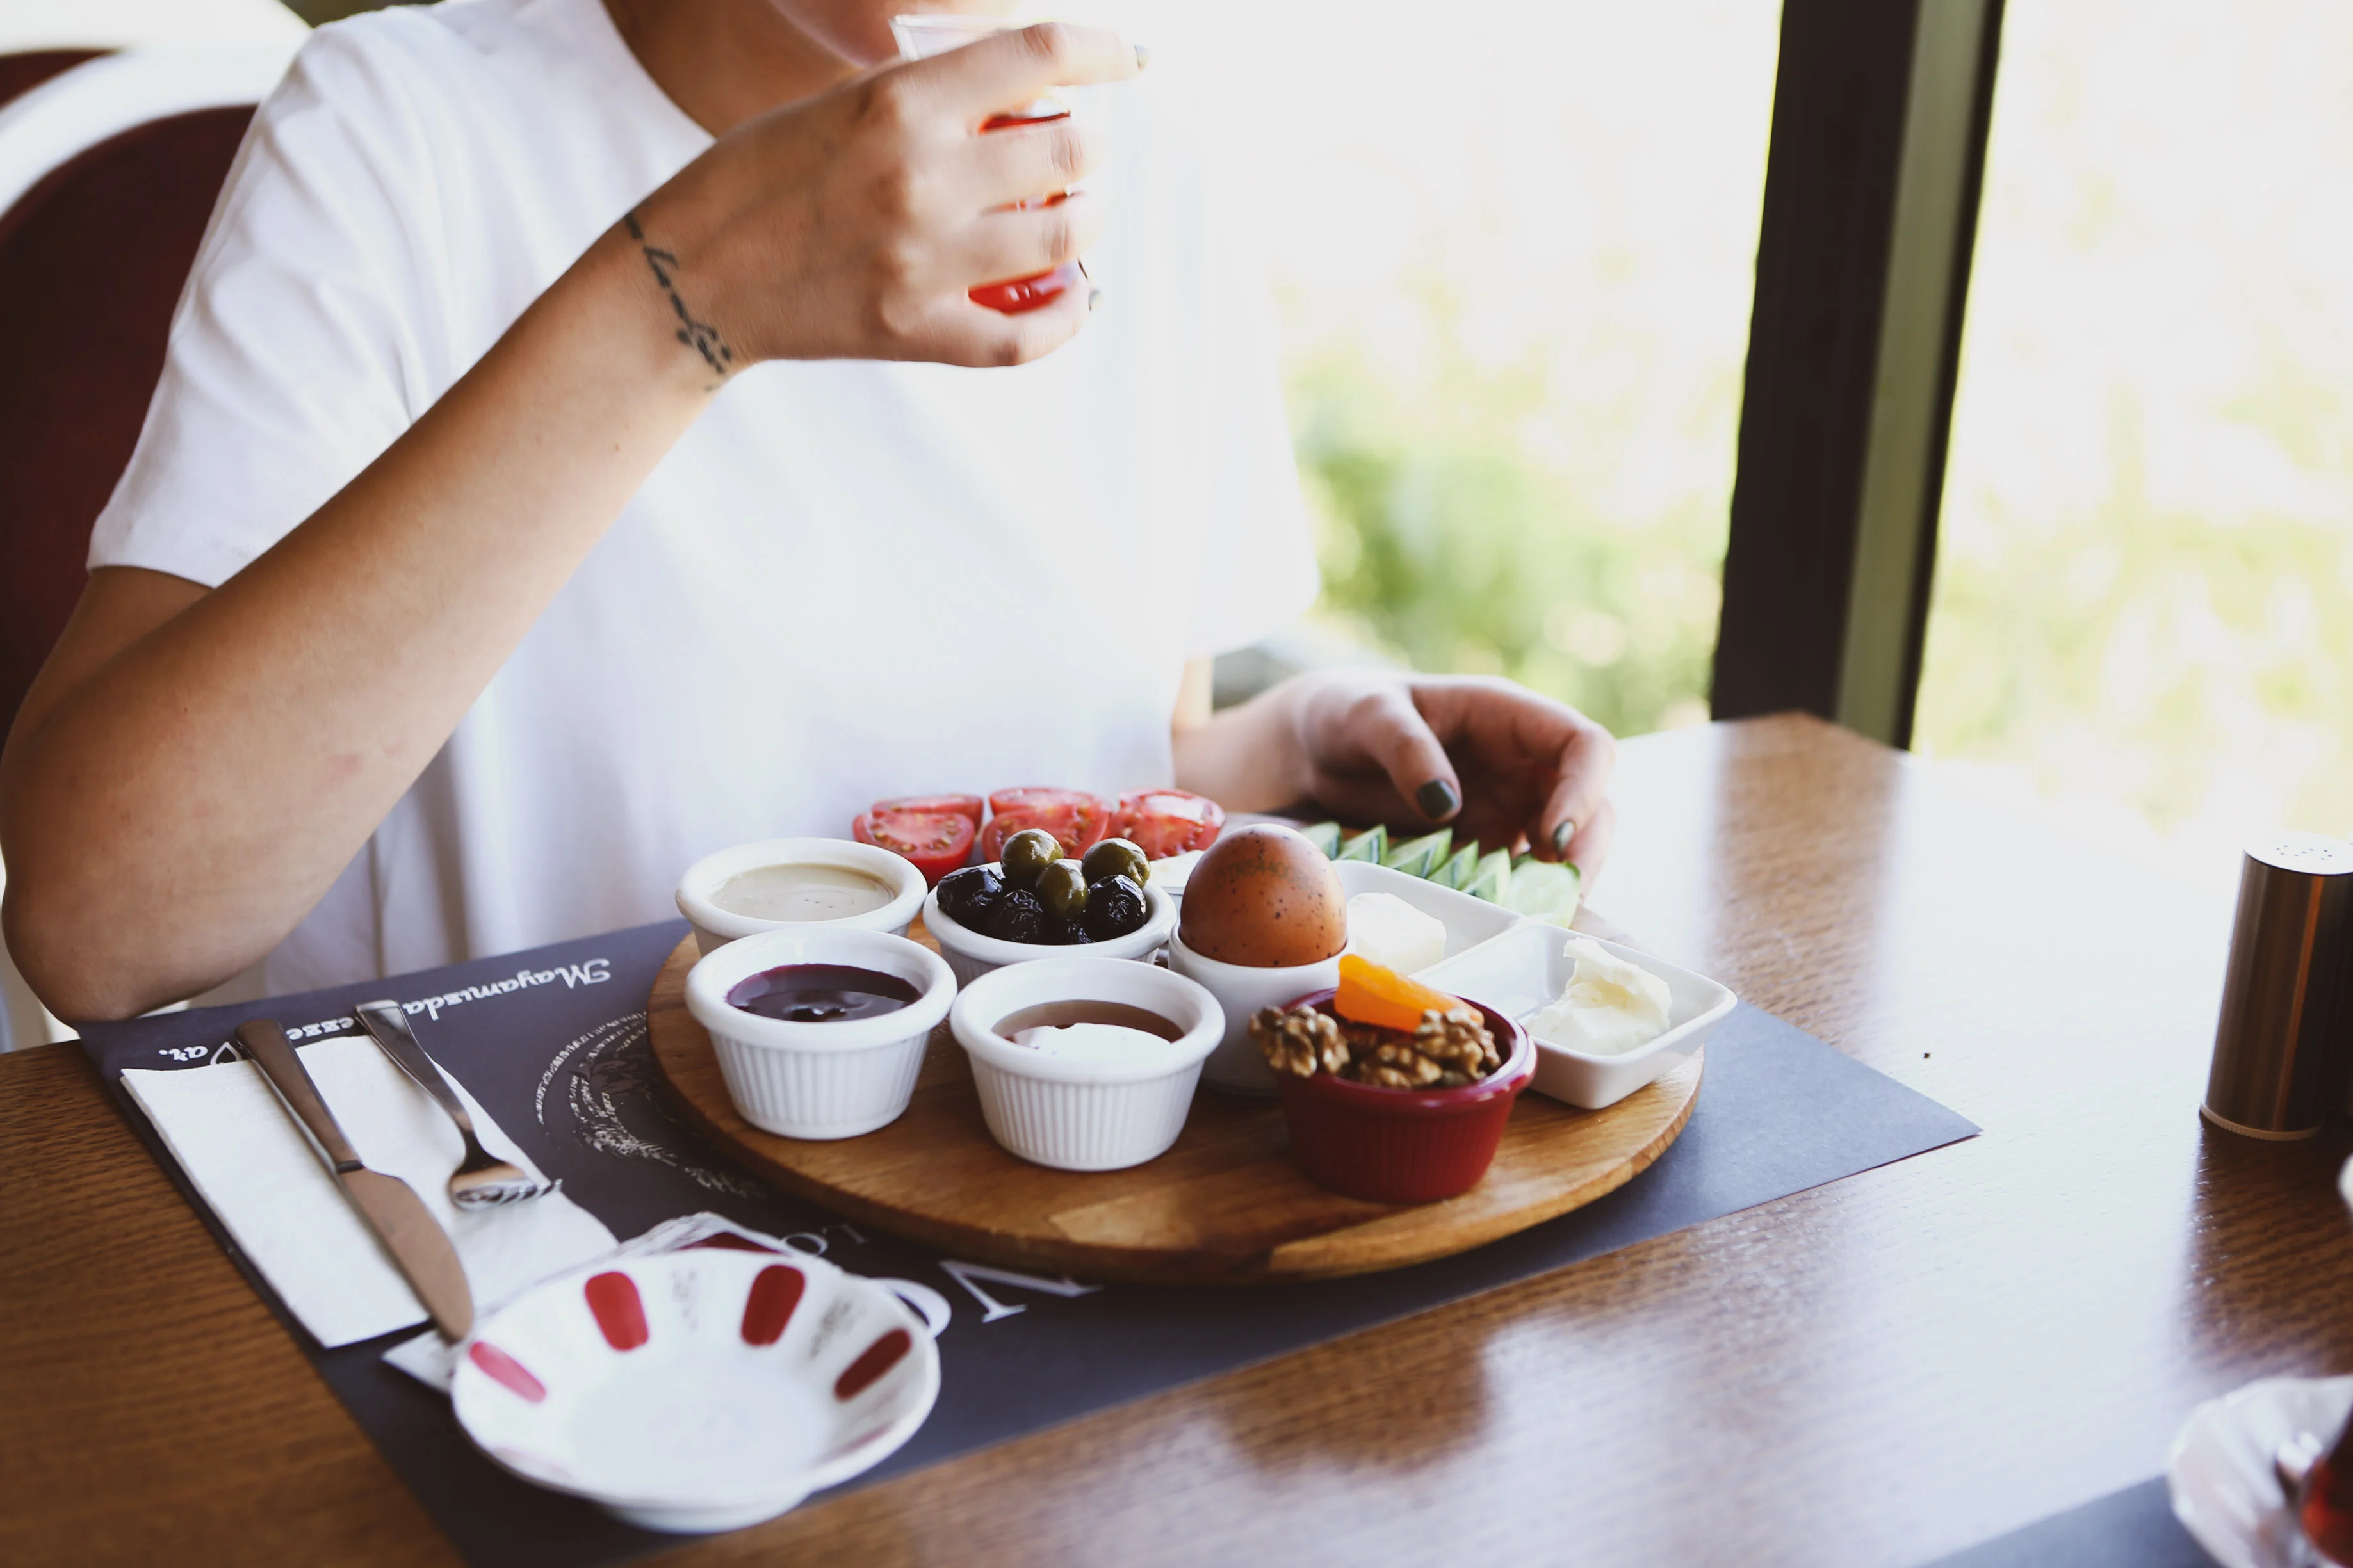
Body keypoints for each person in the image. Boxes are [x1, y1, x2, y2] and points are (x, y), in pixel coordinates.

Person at [0, 0, 1616, 1024]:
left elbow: (1102, 779)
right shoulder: (401, 133)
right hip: (514, 1258)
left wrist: (1293, 756)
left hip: (994, 1222)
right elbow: (104, 922)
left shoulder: (1144, 169)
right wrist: (684, 299)